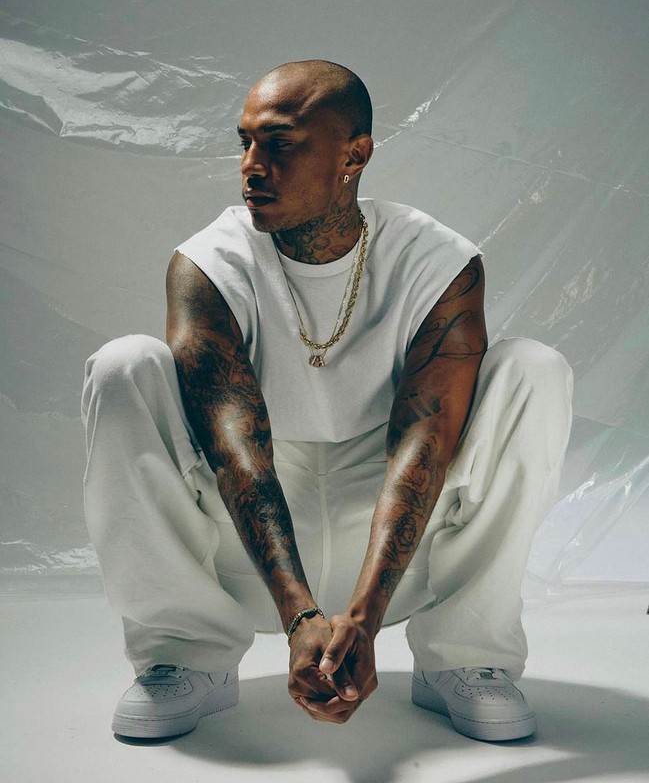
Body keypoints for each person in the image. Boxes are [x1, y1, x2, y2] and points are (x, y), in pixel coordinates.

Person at [82, 60, 573, 743]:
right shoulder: (209, 264)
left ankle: (465, 656)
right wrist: (298, 616)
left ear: (354, 156)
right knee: (123, 365)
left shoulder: (436, 260)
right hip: (244, 546)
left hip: (397, 544)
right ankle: (185, 653)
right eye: (245, 143)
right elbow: (236, 452)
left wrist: (365, 617)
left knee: (534, 369)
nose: (251, 166)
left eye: (279, 144)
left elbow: (425, 445)